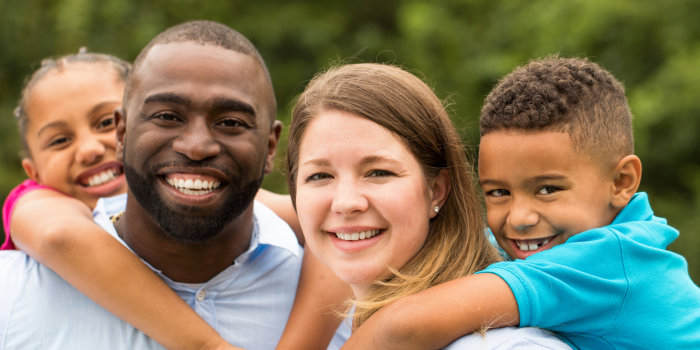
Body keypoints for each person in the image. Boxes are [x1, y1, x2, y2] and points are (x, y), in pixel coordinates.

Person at [341, 57, 700, 349]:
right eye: (499, 192)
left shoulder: (607, 262)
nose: (520, 218)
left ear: (621, 182)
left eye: (547, 190)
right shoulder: (590, 244)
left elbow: (401, 329)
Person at [0, 20, 304, 349]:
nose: (196, 148)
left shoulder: (337, 289)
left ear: (271, 146)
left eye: (230, 122)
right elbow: (56, 235)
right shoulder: (17, 286)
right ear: (124, 132)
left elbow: (323, 219)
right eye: (167, 116)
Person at [286, 63, 572, 349]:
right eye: (320, 176)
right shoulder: (344, 327)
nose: (346, 203)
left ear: (436, 191)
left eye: (379, 172)